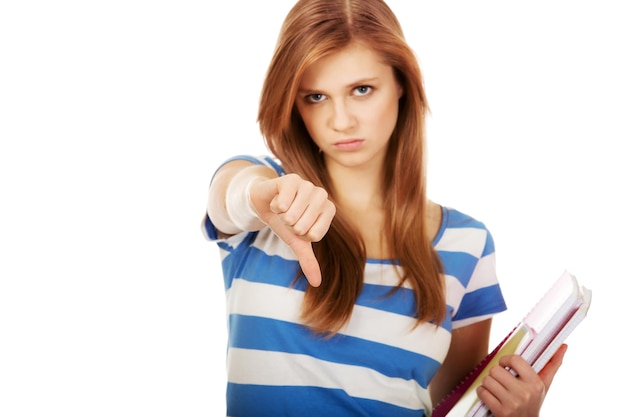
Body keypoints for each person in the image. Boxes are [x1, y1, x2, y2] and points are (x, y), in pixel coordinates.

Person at [202, 0, 567, 415]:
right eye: (316, 96)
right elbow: (229, 196)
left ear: (401, 84)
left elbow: (454, 409)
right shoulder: (266, 200)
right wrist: (257, 196)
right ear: (293, 104)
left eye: (362, 89)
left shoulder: (468, 245)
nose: (341, 120)